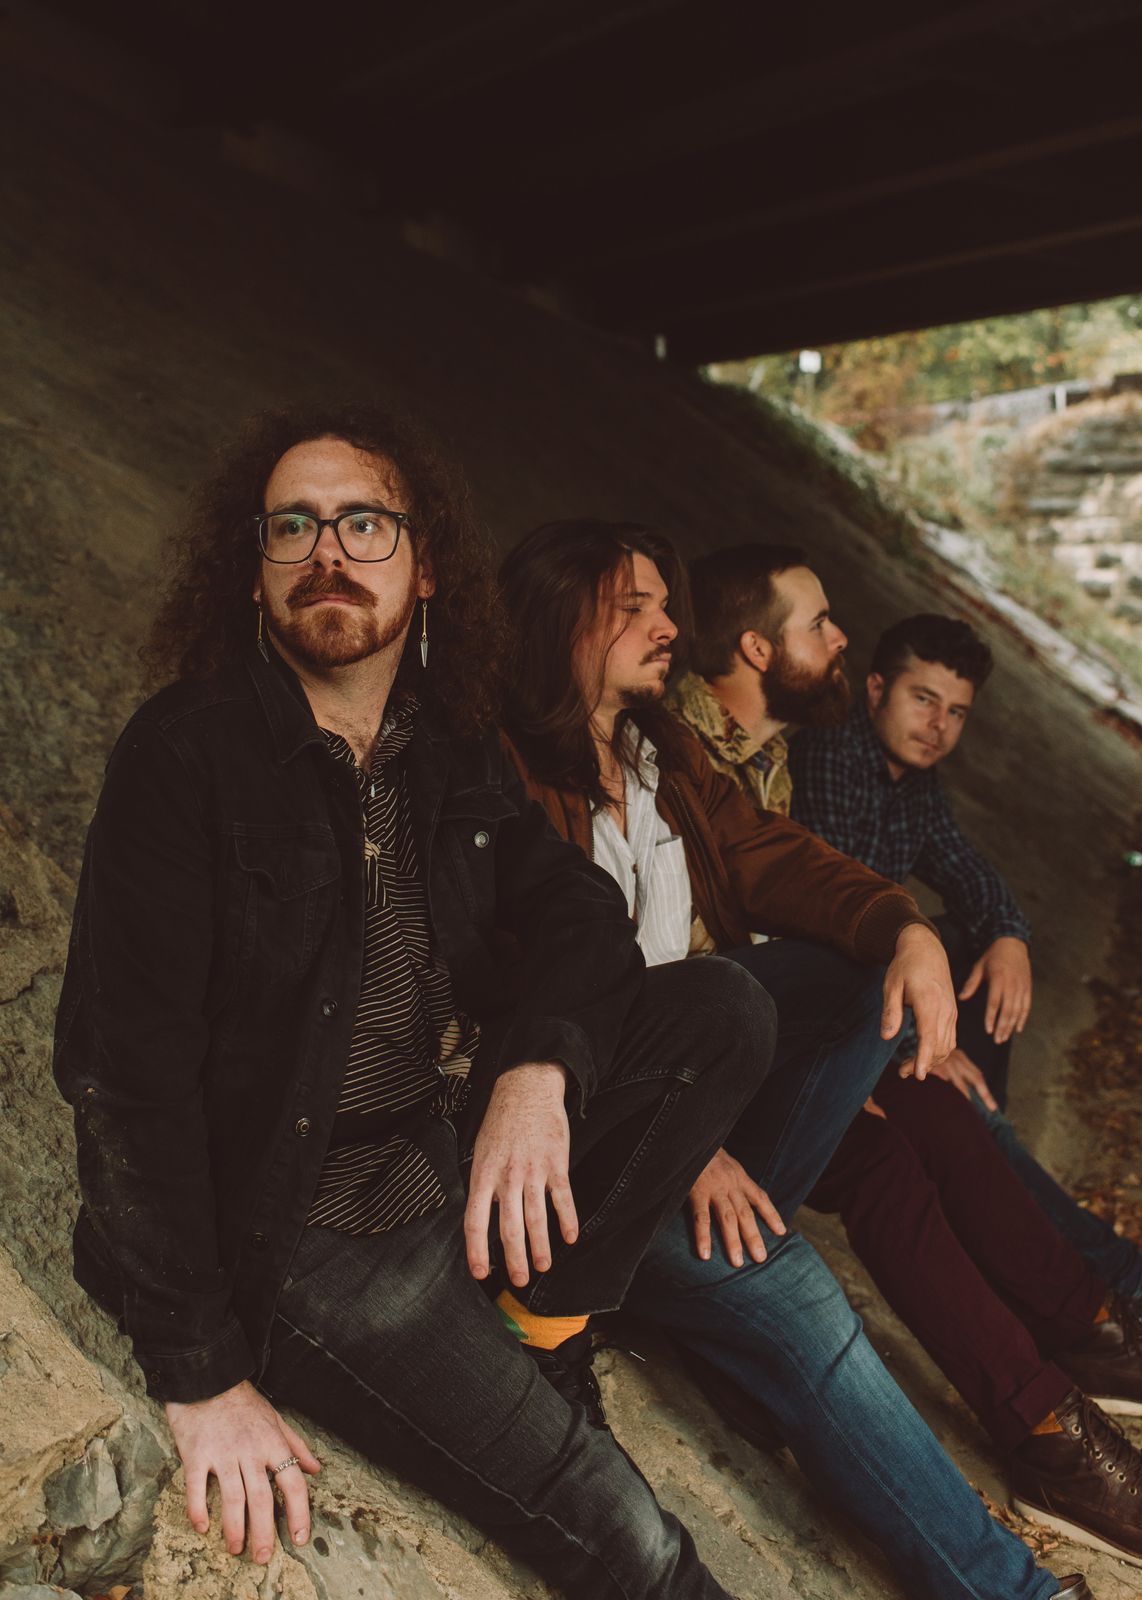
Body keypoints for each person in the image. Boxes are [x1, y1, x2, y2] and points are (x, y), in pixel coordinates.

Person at [52, 404, 782, 1600]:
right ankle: (518, 1389)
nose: (326, 551)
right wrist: (202, 1377)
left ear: (424, 564)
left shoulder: (444, 745)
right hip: (309, 1231)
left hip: (438, 1153)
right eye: (292, 526)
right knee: (631, 1539)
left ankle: (540, 1326)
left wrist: (538, 1070)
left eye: (364, 523)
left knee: (721, 1009)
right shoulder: (186, 756)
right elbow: (124, 1077)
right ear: (253, 569)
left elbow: (580, 913)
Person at [498, 517, 1093, 1600]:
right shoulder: (503, 773)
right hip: (587, 1154)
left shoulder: (659, 750)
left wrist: (909, 932)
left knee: (864, 974)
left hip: (689, 1096)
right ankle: (1019, 1589)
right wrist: (686, 1143)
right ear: (563, 621)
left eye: (665, 604)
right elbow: (525, 1009)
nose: (667, 627)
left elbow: (779, 859)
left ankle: (735, 1287)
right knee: (807, 1296)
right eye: (635, 607)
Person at [676, 544, 1142, 1568]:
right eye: (821, 624)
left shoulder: (765, 764)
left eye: (954, 709)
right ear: (756, 648)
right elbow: (666, 972)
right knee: (908, 1082)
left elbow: (899, 887)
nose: (842, 638)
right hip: (693, 1100)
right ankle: (1074, 1356)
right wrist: (859, 1043)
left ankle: (1059, 1397)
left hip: (757, 1056)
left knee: (922, 1105)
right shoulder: (702, 756)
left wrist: (980, 934)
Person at [787, 606, 1142, 1306]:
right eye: (923, 700)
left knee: (983, 944)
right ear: (876, 690)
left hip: (874, 994)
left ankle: (985, 1147)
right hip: (819, 1012)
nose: (938, 726)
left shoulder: (914, 783)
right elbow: (841, 935)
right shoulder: (832, 757)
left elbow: (969, 872)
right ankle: (1119, 1273)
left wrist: (1009, 935)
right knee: (971, 1111)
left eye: (955, 712)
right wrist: (926, 1045)